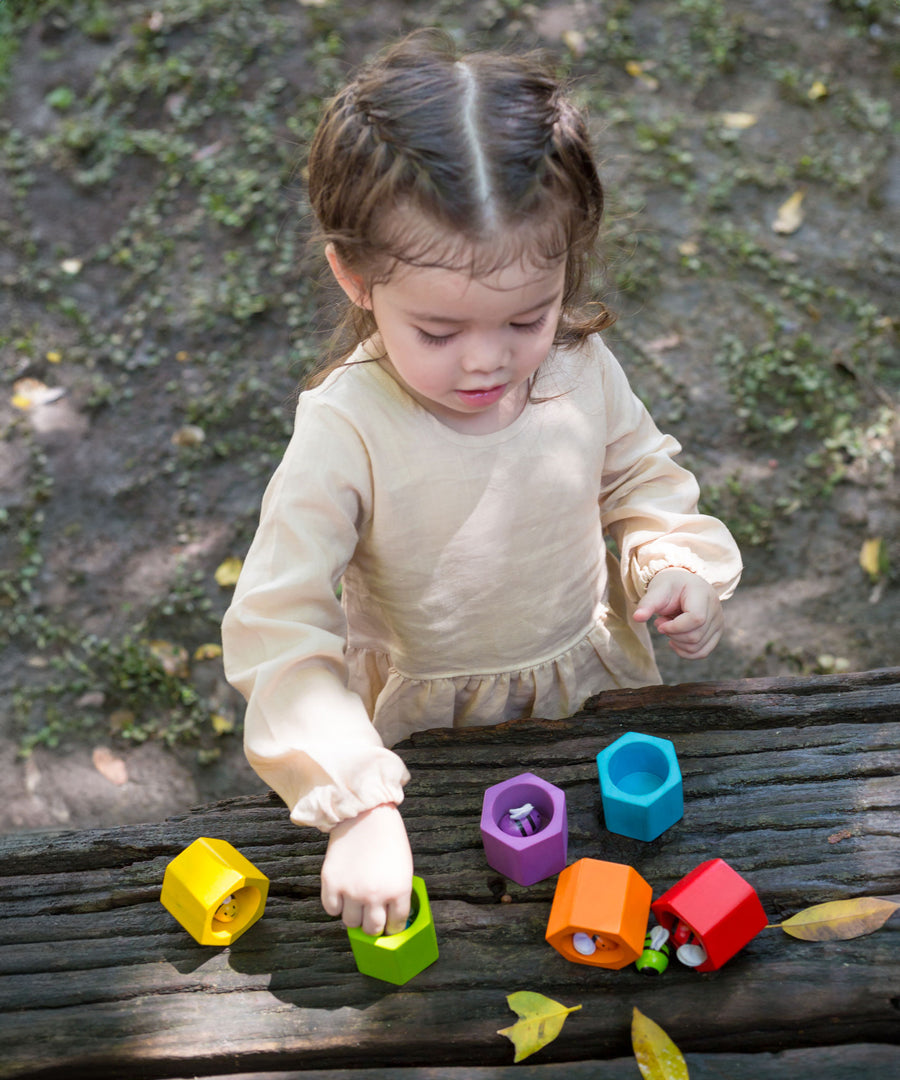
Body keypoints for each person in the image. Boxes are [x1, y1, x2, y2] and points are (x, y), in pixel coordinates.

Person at [221, 30, 742, 941]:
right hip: (426, 736)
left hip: (589, 691)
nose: (488, 360)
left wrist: (672, 564)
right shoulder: (347, 429)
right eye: (439, 330)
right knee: (480, 927)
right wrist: (358, 801)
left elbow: (640, 478)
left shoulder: (581, 369)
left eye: (526, 316)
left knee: (603, 894)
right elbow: (280, 626)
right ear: (354, 275)